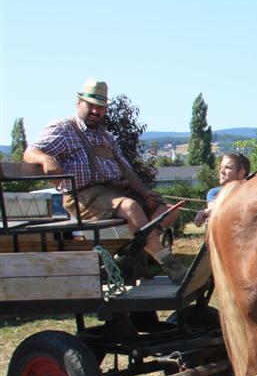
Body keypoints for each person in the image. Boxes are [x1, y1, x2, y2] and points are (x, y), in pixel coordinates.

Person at [23, 79, 187, 282]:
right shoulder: (64, 129)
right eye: (91, 105)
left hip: (113, 192)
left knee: (168, 210)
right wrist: (45, 158)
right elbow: (30, 152)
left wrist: (145, 192)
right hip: (83, 196)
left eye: (100, 107)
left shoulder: (107, 137)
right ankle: (170, 266)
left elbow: (127, 171)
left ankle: (130, 255)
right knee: (131, 207)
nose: (95, 111)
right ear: (78, 103)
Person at [194, 152, 251, 225]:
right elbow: (213, 207)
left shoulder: (250, 192)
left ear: (241, 173)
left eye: (228, 168)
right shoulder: (215, 192)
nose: (222, 171)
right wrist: (206, 212)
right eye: (221, 167)